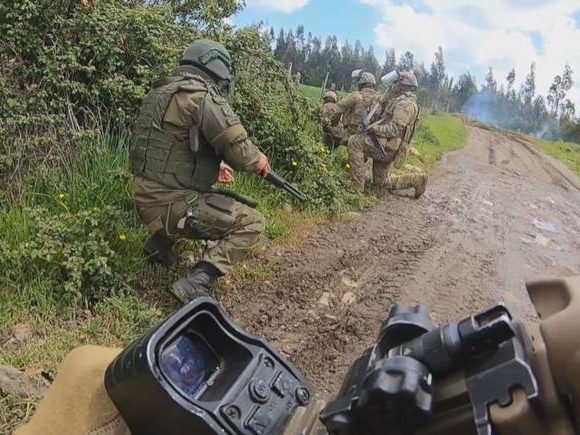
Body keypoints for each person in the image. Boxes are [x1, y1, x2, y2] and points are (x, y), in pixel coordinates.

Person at [130, 39, 270, 304]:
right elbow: (242, 152)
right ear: (218, 69)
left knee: (186, 194)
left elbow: (170, 149)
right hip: (169, 206)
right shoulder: (202, 95)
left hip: (143, 197)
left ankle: (158, 247)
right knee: (252, 222)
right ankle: (198, 280)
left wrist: (215, 168)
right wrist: (258, 160)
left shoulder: (160, 91)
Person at [347, 71, 427, 197]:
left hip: (388, 146)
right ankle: (415, 180)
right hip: (386, 144)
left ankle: (355, 189)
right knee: (381, 182)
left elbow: (394, 129)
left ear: (403, 86)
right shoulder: (398, 100)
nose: (393, 86)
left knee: (355, 142)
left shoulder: (405, 105)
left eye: (396, 83)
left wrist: (374, 129)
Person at [336, 71, 380, 139]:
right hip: (371, 136)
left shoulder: (356, 96)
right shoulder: (379, 98)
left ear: (361, 84)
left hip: (352, 133)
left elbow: (337, 108)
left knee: (333, 130)